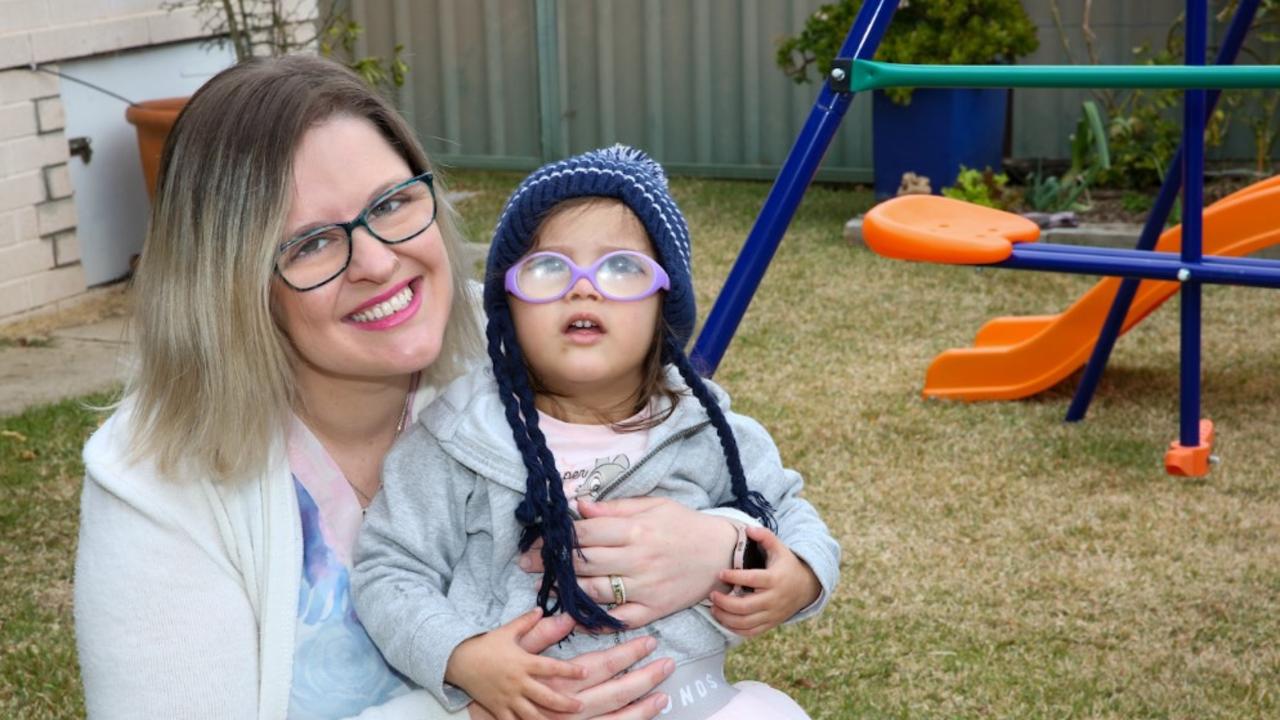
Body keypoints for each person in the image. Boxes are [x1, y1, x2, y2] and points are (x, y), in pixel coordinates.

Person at [72, 56, 825, 720]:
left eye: (392, 203)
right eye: (310, 242)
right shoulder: (156, 482)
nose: (377, 262)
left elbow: (758, 496)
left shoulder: (527, 342)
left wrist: (725, 544)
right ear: (231, 288)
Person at [351, 146, 841, 720]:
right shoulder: (458, 439)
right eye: (548, 269)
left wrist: (799, 578)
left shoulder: (704, 431)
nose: (583, 288)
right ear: (507, 306)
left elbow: (788, 511)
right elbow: (389, 569)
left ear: (664, 306)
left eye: (622, 269)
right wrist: (463, 658)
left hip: (688, 700)